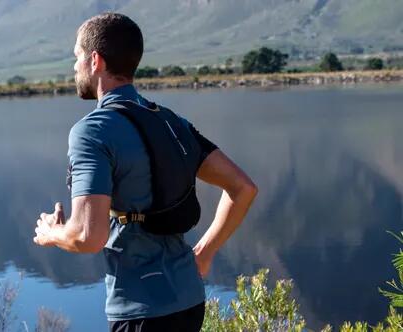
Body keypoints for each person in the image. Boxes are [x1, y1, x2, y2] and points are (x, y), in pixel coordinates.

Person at [31, 13, 258, 331]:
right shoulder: (172, 122)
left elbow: (87, 236)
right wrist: (205, 253)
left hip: (141, 311)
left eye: (77, 57)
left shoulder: (93, 131)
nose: (74, 67)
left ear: (95, 61)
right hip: (189, 300)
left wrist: (51, 233)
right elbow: (242, 188)